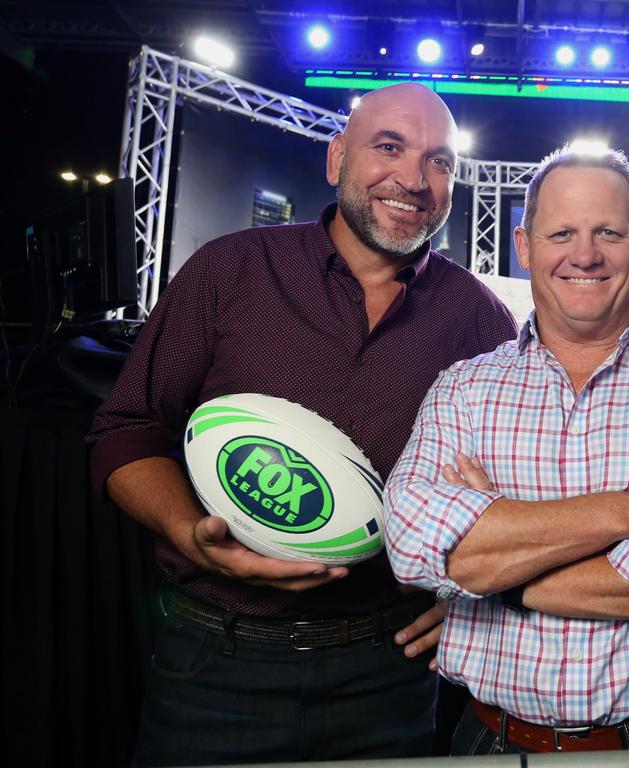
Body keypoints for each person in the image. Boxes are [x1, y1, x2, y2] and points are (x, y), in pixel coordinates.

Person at [87, 82, 518, 766]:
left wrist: (478, 598)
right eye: (389, 147)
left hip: (389, 676)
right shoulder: (231, 271)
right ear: (336, 158)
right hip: (217, 666)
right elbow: (126, 429)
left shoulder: (480, 320)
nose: (413, 178)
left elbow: (518, 488)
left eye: (439, 162)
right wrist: (187, 536)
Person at [384, 145, 629, 754]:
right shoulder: (463, 387)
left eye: (608, 233)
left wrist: (501, 567)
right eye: (562, 232)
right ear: (524, 247)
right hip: (490, 743)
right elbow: (413, 546)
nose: (585, 255)